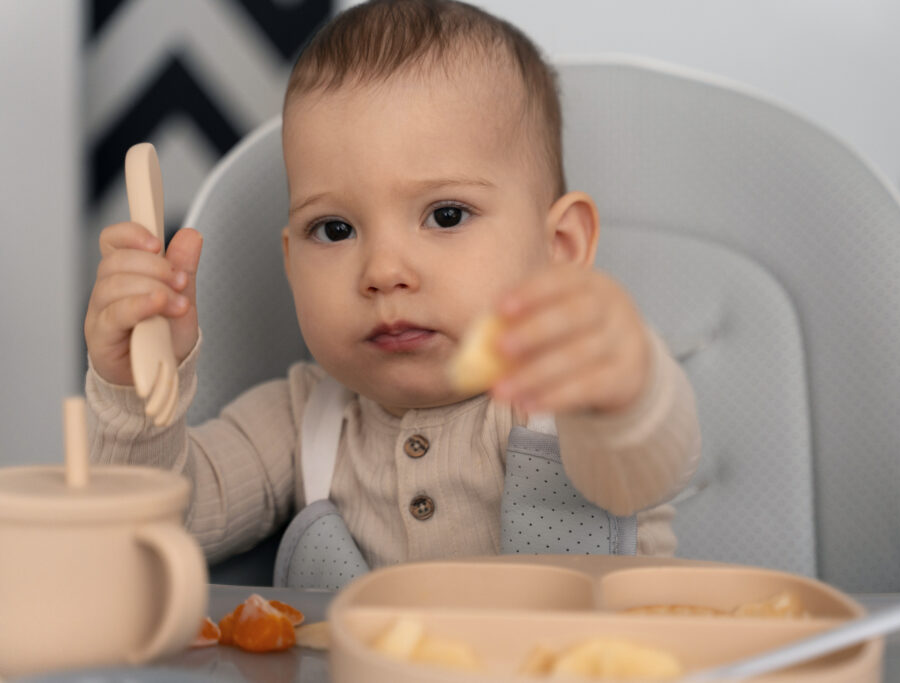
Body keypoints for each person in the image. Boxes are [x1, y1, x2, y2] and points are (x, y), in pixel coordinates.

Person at [83, 0, 701, 586]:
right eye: (335, 229)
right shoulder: (304, 421)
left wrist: (624, 383)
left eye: (447, 215)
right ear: (292, 264)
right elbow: (156, 527)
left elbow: (645, 464)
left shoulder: (563, 395)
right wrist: (137, 395)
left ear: (561, 248)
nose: (383, 270)